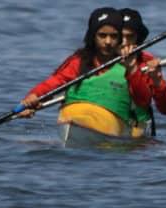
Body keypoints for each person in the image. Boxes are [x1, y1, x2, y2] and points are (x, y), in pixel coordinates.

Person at [19, 7, 154, 132]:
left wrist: (132, 69)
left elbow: (143, 101)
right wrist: (32, 97)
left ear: (120, 38)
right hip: (71, 118)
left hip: (112, 123)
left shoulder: (130, 62)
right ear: (92, 37)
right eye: (102, 35)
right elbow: (54, 82)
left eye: (113, 36)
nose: (108, 41)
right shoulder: (77, 61)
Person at [119, 7, 166, 136]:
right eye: (120, 37)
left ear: (138, 39)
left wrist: (157, 81)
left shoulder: (147, 61)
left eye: (130, 37)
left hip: (137, 130)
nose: (124, 43)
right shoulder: (98, 58)